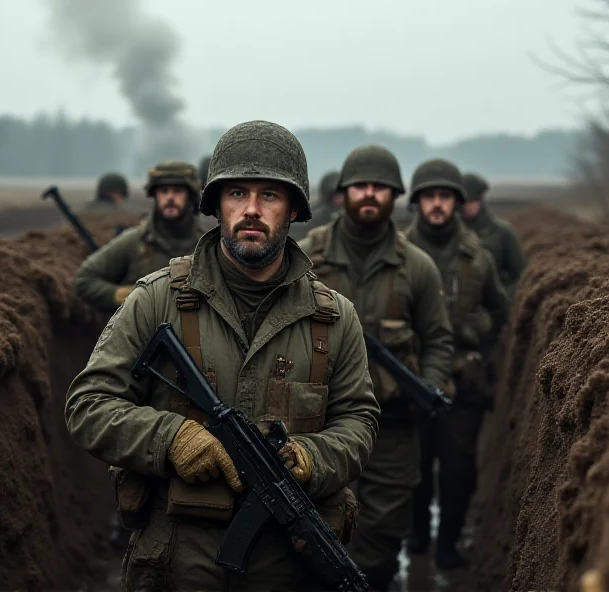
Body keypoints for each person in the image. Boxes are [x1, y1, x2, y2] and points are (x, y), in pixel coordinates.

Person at [65, 120, 380, 591]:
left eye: (270, 195)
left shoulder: (335, 319)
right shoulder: (155, 299)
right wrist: (169, 438)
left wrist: (312, 457)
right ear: (215, 205)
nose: (251, 210)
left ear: (294, 208)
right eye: (237, 193)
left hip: (285, 569)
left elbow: (359, 421)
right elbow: (87, 405)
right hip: (175, 561)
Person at [298, 145, 453, 591]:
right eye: (361, 186)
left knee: (382, 538)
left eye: (380, 188)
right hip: (317, 424)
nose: (370, 194)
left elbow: (439, 339)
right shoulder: (307, 259)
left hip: (393, 426)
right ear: (344, 192)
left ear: (395, 196)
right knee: (309, 530)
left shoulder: (417, 267)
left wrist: (431, 384)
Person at [403, 158, 510, 569]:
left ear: (456, 202)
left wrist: (472, 325)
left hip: (462, 382)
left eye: (444, 197)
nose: (436, 205)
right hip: (411, 378)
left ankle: (448, 544)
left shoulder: (477, 257)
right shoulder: (400, 255)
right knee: (414, 468)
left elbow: (499, 308)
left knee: (459, 470)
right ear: (417, 202)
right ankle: (416, 536)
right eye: (429, 196)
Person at [73, 161, 205, 312]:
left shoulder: (207, 246)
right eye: (163, 191)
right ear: (155, 196)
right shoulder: (134, 242)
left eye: (177, 191)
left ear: (190, 196)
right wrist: (130, 295)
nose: (170, 197)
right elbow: (84, 280)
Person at [461, 172, 526, 299]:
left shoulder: (502, 232)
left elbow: (520, 274)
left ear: (480, 200)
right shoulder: (452, 232)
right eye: (464, 202)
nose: (468, 206)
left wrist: (505, 297)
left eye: (473, 201)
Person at [289, 170, 343, 241]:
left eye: (340, 193)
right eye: (334, 195)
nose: (338, 198)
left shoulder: (347, 212)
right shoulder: (314, 213)